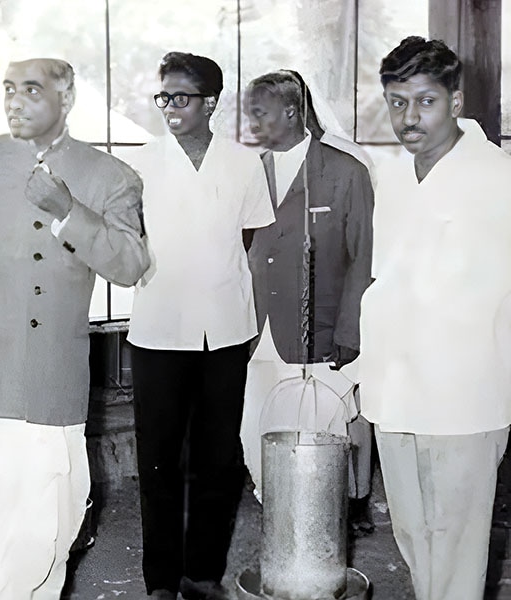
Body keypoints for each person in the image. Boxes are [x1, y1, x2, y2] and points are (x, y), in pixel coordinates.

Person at [0, 57, 148, 600]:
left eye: (30, 90)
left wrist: (69, 210)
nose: (15, 101)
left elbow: (130, 265)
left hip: (51, 376)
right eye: (7, 90)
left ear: (66, 100)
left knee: (52, 521)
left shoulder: (109, 175)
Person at [358, 36, 511, 600]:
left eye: (424, 101)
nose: (409, 117)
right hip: (395, 390)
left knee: (456, 541)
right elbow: (383, 280)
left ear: (456, 101)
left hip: (465, 394)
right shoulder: (391, 177)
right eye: (397, 102)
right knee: (414, 533)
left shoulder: (498, 178)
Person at [126, 52, 274, 600]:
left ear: (211, 102)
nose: (169, 107)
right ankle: (161, 581)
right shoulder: (140, 164)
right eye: (162, 97)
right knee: (160, 460)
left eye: (181, 98)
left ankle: (203, 574)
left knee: (218, 459)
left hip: (226, 330)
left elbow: (251, 239)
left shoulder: (243, 163)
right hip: (158, 329)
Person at [240, 70, 375, 531]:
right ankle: (284, 540)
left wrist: (350, 331)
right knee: (255, 443)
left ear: (293, 111)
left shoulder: (344, 172)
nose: (250, 121)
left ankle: (313, 547)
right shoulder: (248, 172)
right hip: (257, 336)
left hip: (320, 336)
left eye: (260, 111)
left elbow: (363, 256)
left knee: (316, 450)